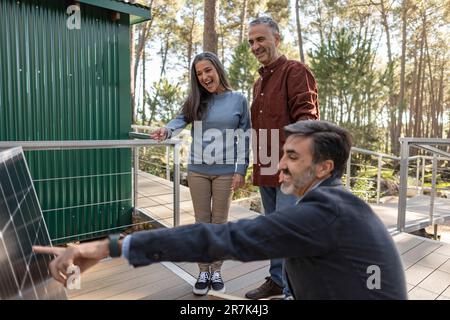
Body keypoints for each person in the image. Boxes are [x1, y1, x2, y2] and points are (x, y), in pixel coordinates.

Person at [34, 120, 408, 300]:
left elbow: (226, 237)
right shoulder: (336, 205)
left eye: (292, 157)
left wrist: (106, 247)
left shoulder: (323, 213)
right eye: (282, 154)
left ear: (324, 168)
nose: (279, 165)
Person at [149, 52, 250, 295]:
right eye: (199, 73)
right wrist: (166, 130)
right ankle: (203, 271)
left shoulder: (238, 99)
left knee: (220, 224)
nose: (204, 76)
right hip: (198, 171)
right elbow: (179, 120)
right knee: (202, 223)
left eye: (208, 70)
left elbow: (246, 136)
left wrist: (241, 170)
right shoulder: (196, 100)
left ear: (217, 69)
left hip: (226, 172)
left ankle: (216, 270)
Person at [246, 16, 319, 299]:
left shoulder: (295, 71)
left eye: (261, 39)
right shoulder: (257, 84)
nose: (255, 46)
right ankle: (278, 280)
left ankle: (294, 290)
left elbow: (307, 119)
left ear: (277, 39)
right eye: (251, 41)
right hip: (265, 166)